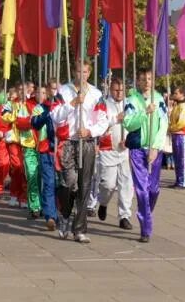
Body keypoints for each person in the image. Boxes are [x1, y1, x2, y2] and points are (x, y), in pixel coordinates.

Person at [50, 59, 108, 244]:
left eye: (84, 72)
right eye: (78, 71)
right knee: (69, 183)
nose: (81, 75)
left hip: (87, 143)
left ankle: (80, 229)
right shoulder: (63, 92)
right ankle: (65, 214)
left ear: (88, 73)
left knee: (84, 185)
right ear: (73, 72)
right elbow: (54, 115)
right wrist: (73, 103)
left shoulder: (96, 94)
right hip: (68, 142)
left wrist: (90, 131)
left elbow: (103, 120)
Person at [123, 69, 168, 243]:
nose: (147, 82)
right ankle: (145, 228)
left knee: (154, 189)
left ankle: (146, 210)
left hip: (154, 149)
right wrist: (144, 113)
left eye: (149, 79)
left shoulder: (159, 99)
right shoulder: (132, 100)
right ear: (138, 82)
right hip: (137, 148)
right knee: (141, 190)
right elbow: (128, 123)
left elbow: (164, 124)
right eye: (143, 79)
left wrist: (156, 147)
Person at [95, 77, 134, 230]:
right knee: (108, 185)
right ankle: (103, 203)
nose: (119, 93)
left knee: (126, 184)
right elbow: (99, 124)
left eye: (122, 90)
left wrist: (130, 140)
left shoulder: (129, 104)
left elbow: (135, 123)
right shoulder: (104, 104)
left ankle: (124, 216)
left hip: (125, 151)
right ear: (111, 90)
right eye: (116, 90)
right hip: (108, 150)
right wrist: (115, 119)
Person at [31, 81, 59, 231]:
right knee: (48, 183)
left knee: (61, 185)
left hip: (62, 150)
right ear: (48, 91)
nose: (54, 91)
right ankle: (50, 216)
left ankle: (60, 213)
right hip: (46, 150)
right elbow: (34, 123)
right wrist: (47, 113)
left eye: (57, 88)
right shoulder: (39, 108)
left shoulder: (64, 105)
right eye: (52, 88)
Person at [16, 84, 41, 218]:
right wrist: (33, 120)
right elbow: (19, 123)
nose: (41, 95)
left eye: (44, 92)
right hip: (30, 146)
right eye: (38, 92)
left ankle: (45, 205)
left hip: (45, 147)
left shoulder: (51, 105)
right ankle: (34, 206)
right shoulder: (26, 105)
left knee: (44, 178)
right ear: (34, 93)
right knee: (32, 175)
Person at [1, 87, 27, 208]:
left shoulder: (31, 103)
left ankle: (24, 197)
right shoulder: (10, 104)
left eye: (25, 89)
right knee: (16, 168)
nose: (23, 92)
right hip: (14, 140)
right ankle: (14, 194)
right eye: (20, 90)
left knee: (26, 170)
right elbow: (4, 117)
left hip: (28, 141)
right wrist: (16, 115)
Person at [168, 86, 185, 189]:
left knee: (183, 158)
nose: (174, 95)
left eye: (176, 93)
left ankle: (183, 182)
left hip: (182, 134)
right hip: (176, 134)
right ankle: (178, 180)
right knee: (177, 159)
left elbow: (182, 122)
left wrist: (172, 128)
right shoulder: (177, 105)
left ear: (182, 94)